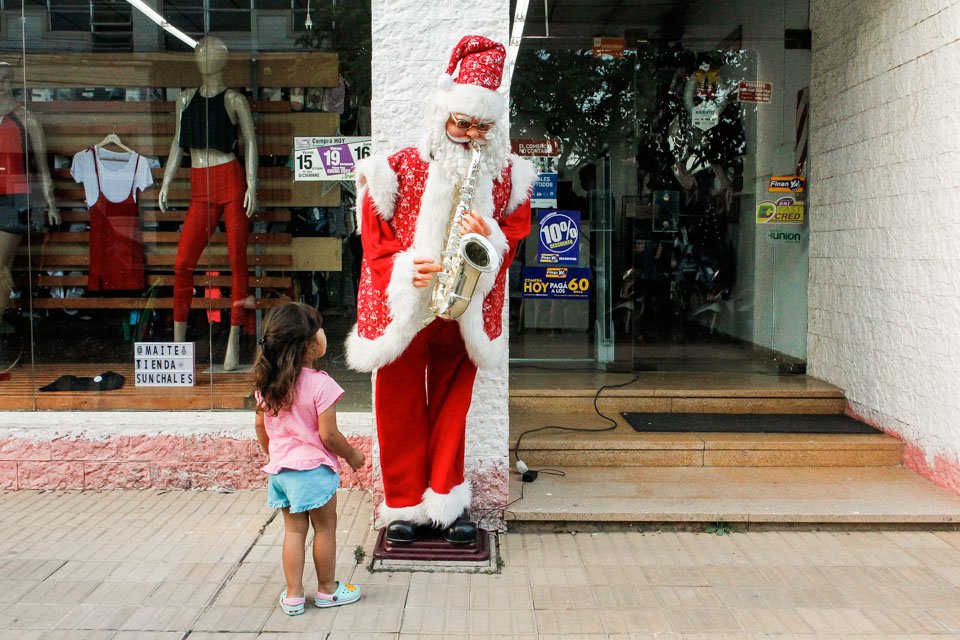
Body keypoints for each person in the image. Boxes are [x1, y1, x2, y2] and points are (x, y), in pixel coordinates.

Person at [346, 35, 536, 544]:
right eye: (462, 124)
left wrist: (489, 235)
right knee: (398, 400)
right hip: (407, 304)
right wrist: (404, 268)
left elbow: (515, 231)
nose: (472, 136)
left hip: (466, 302)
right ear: (441, 115)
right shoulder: (395, 168)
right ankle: (404, 502)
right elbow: (373, 237)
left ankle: (446, 499)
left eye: (482, 127)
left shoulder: (508, 176)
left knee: (454, 403)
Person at [253, 302, 365, 616]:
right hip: (314, 472)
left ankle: (293, 596)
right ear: (309, 345)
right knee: (325, 529)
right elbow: (329, 435)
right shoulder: (321, 384)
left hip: (282, 473)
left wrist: (275, 454)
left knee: (294, 531)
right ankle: (327, 590)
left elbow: (261, 427)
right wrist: (352, 455)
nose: (323, 333)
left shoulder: (267, 384)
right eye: (318, 328)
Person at [159, 36, 258, 371]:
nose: (203, 59)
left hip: (230, 179)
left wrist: (253, 183)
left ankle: (233, 339)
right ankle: (177, 346)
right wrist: (167, 180)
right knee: (182, 264)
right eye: (199, 54)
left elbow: (250, 142)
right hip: (199, 184)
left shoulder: (234, 100)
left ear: (222, 60)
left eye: (210, 54)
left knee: (237, 261)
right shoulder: (184, 99)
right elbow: (178, 142)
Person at [0, 61, 60, 329]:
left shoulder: (27, 119)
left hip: (13, 198)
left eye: (5, 78)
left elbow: (43, 168)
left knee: (1, 265)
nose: (1, 83)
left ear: (13, 81)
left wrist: (52, 204)